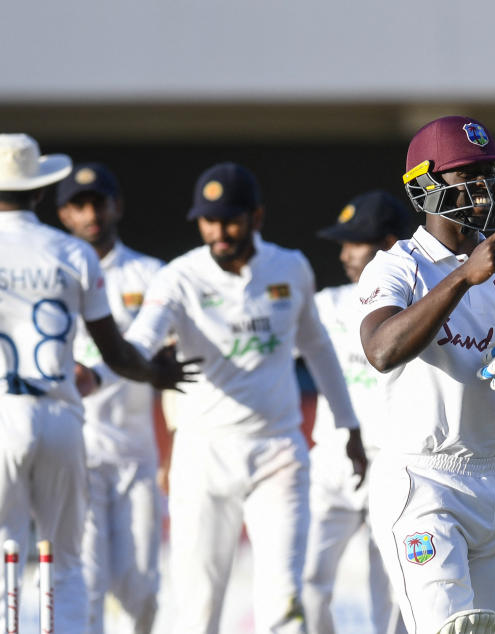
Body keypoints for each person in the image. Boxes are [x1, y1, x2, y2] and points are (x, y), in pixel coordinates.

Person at [0, 133, 192, 634]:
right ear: (42, 193)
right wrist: (158, 374)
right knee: (66, 565)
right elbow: (115, 354)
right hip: (64, 420)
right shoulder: (71, 253)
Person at [122, 162, 365, 634]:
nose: (218, 231)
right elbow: (139, 341)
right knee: (198, 609)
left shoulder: (289, 267)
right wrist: (146, 368)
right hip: (202, 454)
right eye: (208, 220)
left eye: (230, 219)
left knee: (283, 605)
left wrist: (348, 425)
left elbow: (317, 348)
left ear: (256, 217)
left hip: (277, 451)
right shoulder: (179, 278)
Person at [357, 116, 495, 634]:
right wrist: (462, 275)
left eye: (489, 173)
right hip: (422, 478)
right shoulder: (396, 266)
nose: (484, 188)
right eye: (467, 175)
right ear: (427, 187)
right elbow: (382, 350)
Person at [56, 163, 164, 634]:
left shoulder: (152, 274)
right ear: (64, 214)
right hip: (76, 454)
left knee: (141, 587)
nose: (90, 213)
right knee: (89, 583)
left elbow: (163, 356)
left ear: (116, 205)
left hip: (137, 457)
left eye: (98, 201)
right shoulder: (53, 274)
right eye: (78, 205)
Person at [303, 190, 413, 634]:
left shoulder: (416, 304)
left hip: (393, 460)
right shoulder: (327, 302)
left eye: (356, 243)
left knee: (389, 590)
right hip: (330, 463)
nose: (346, 255)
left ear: (388, 245)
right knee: (304, 580)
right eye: (343, 245)